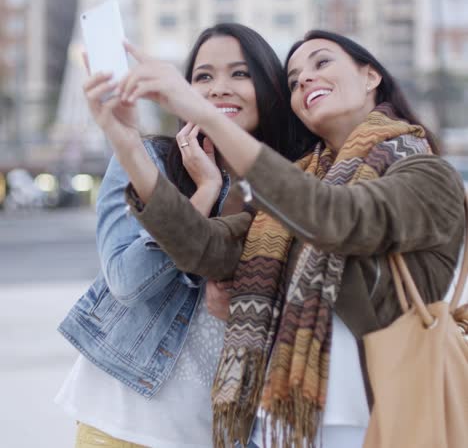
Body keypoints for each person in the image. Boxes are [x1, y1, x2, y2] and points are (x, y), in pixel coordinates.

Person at [93, 30, 465, 447]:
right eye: (293, 79)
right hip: (285, 427)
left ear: (370, 76)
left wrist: (208, 114)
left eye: (321, 63)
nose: (305, 78)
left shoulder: (427, 175)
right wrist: (128, 147)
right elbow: (208, 248)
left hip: (382, 417)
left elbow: (333, 216)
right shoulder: (300, 180)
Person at [55, 23, 310, 448]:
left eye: (240, 74)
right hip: (122, 422)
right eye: (203, 77)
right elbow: (126, 282)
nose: (219, 89)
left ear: (269, 86)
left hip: (225, 431)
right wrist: (204, 194)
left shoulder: (289, 184)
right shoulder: (145, 159)